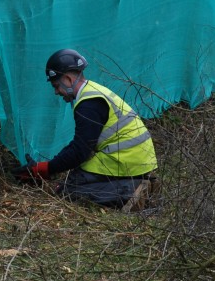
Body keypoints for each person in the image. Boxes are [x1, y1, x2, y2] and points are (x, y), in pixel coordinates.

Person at [15, 48, 158, 209]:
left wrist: (45, 169)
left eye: (56, 86)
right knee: (73, 180)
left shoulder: (88, 104)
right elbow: (81, 144)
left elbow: (79, 151)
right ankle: (134, 184)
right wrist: (48, 167)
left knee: (69, 192)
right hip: (136, 160)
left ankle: (130, 192)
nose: (56, 92)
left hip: (126, 161)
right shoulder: (94, 92)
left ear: (68, 79)